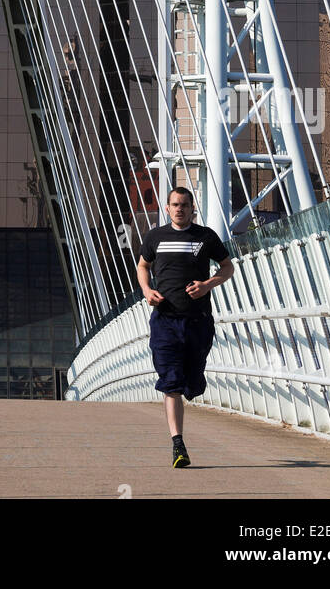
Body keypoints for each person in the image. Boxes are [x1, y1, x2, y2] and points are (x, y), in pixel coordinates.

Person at [137, 187, 234, 468]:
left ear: (193, 208)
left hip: (198, 321)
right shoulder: (155, 237)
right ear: (167, 209)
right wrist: (146, 290)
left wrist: (207, 285)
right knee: (171, 382)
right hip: (165, 320)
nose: (179, 209)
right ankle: (177, 443)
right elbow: (143, 265)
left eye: (184, 205)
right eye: (175, 205)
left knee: (192, 381)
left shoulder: (205, 237)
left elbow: (227, 267)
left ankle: (194, 381)